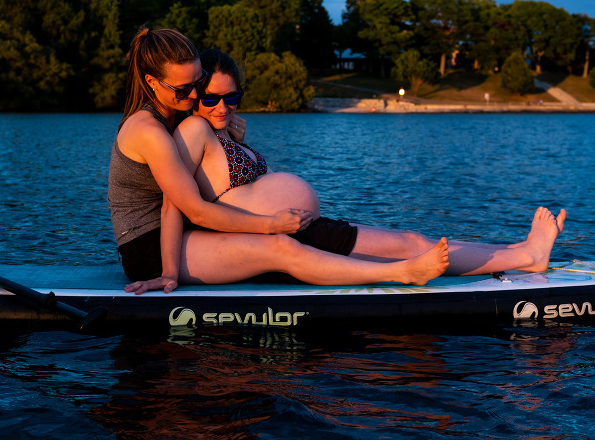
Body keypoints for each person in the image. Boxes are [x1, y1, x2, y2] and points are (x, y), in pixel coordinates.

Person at [109, 27, 450, 295]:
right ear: (152, 81)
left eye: (197, 84)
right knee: (278, 247)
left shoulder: (175, 116)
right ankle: (401, 273)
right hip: (149, 247)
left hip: (183, 233)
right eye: (184, 90)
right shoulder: (149, 130)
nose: (195, 96)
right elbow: (186, 207)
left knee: (294, 242)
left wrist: (226, 137)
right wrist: (169, 272)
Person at [172, 48, 567, 277]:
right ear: (194, 95)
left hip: (296, 228)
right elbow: (182, 203)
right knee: (410, 245)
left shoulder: (224, 131)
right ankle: (527, 257)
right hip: (281, 235)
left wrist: (239, 141)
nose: (222, 106)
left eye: (232, 97)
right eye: (211, 98)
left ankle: (517, 249)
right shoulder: (193, 130)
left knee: (413, 239)